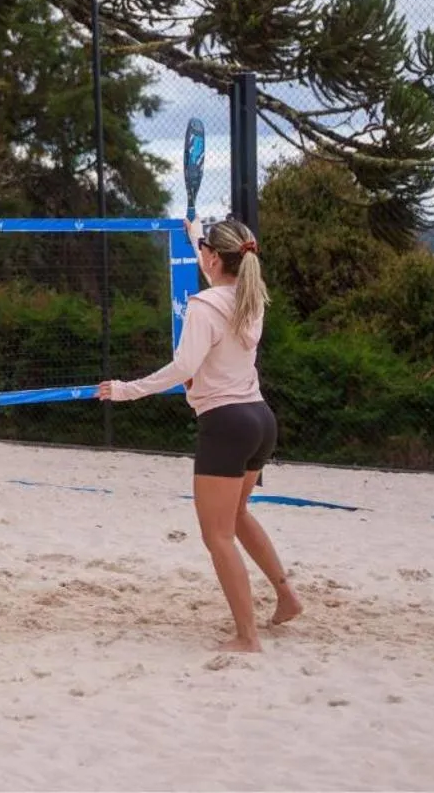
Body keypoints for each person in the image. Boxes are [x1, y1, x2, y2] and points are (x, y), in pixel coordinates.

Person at [98, 217, 302, 653]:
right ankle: (286, 596)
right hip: (260, 419)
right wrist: (195, 235)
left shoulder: (204, 306)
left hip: (226, 425)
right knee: (239, 516)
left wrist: (124, 391)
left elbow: (183, 369)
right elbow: (219, 267)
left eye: (204, 252)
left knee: (218, 536)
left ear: (212, 259)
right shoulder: (252, 297)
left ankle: (247, 637)